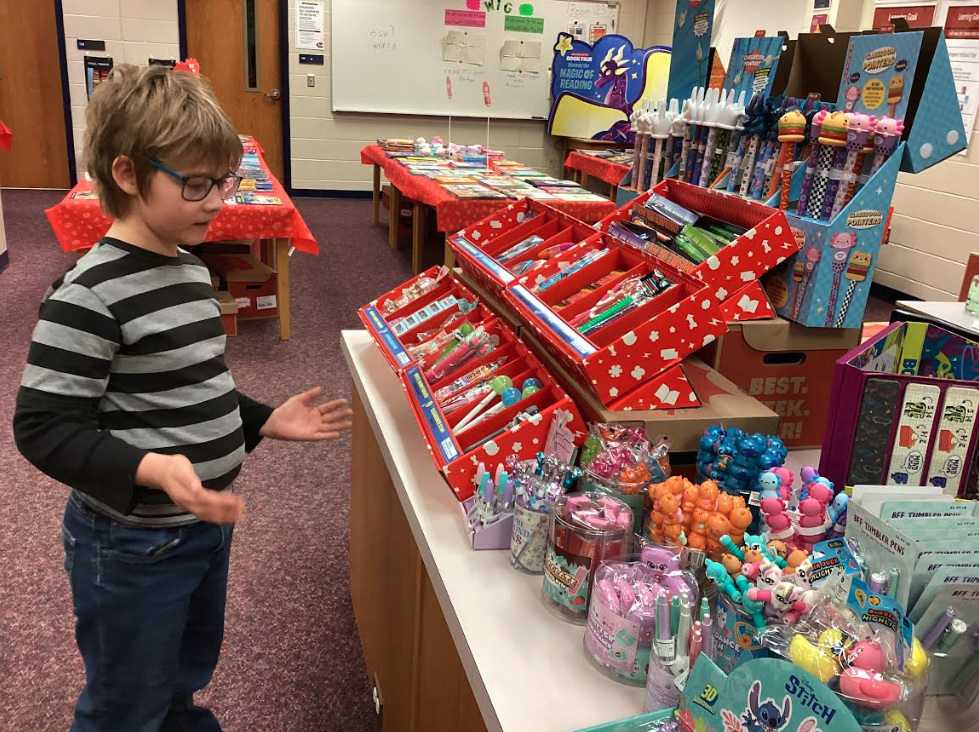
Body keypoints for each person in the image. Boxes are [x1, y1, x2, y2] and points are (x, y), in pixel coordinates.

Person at [13, 64, 352, 732]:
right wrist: (151, 467)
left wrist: (261, 420)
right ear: (127, 174)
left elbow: (196, 381)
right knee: (125, 699)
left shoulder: (192, 271)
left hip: (201, 528)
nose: (216, 201)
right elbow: (43, 427)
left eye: (223, 181)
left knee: (182, 672)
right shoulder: (88, 295)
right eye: (196, 184)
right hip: (129, 546)